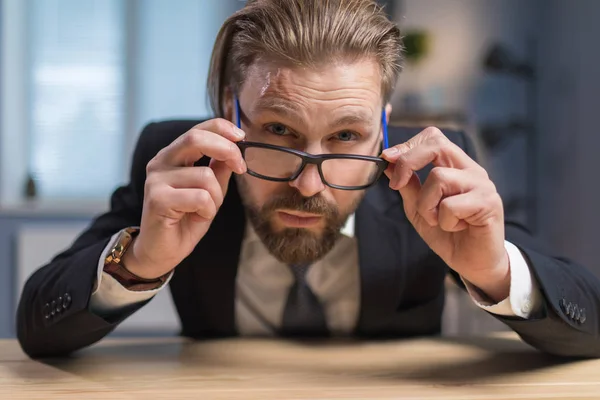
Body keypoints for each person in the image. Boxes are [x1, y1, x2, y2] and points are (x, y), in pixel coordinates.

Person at [17, 0, 600, 358]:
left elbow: (590, 325)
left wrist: (495, 270)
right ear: (229, 111)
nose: (309, 185)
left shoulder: (430, 175)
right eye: (277, 131)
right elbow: (38, 328)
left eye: (347, 137)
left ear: (384, 128)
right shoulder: (181, 164)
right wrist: (140, 261)